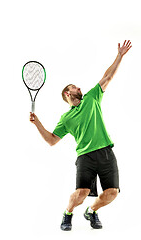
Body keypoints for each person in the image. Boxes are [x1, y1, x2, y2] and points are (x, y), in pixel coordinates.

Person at [29, 40, 132, 231]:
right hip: (85, 156)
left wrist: (119, 56)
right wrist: (37, 123)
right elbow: (52, 140)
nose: (80, 88)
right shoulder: (66, 118)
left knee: (112, 193)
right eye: (76, 87)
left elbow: (107, 77)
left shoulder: (92, 98)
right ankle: (68, 213)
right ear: (68, 93)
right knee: (81, 192)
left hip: (106, 152)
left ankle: (91, 211)